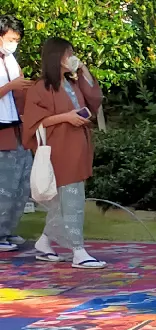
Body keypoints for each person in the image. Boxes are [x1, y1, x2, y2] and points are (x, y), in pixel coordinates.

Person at [22, 38, 105, 268]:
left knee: (62, 201)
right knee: (72, 197)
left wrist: (83, 68)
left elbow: (94, 99)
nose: (71, 57)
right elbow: (33, 121)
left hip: (76, 144)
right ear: (56, 56)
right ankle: (78, 250)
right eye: (68, 53)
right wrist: (66, 117)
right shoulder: (41, 87)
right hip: (59, 148)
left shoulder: (72, 82)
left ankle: (44, 242)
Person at [0, 17, 29, 252]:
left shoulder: (10, 59)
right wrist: (11, 87)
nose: (14, 44)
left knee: (21, 182)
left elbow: (19, 82)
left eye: (16, 40)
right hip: (2, 130)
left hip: (17, 125)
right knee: (4, 184)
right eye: (11, 39)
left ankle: (8, 230)